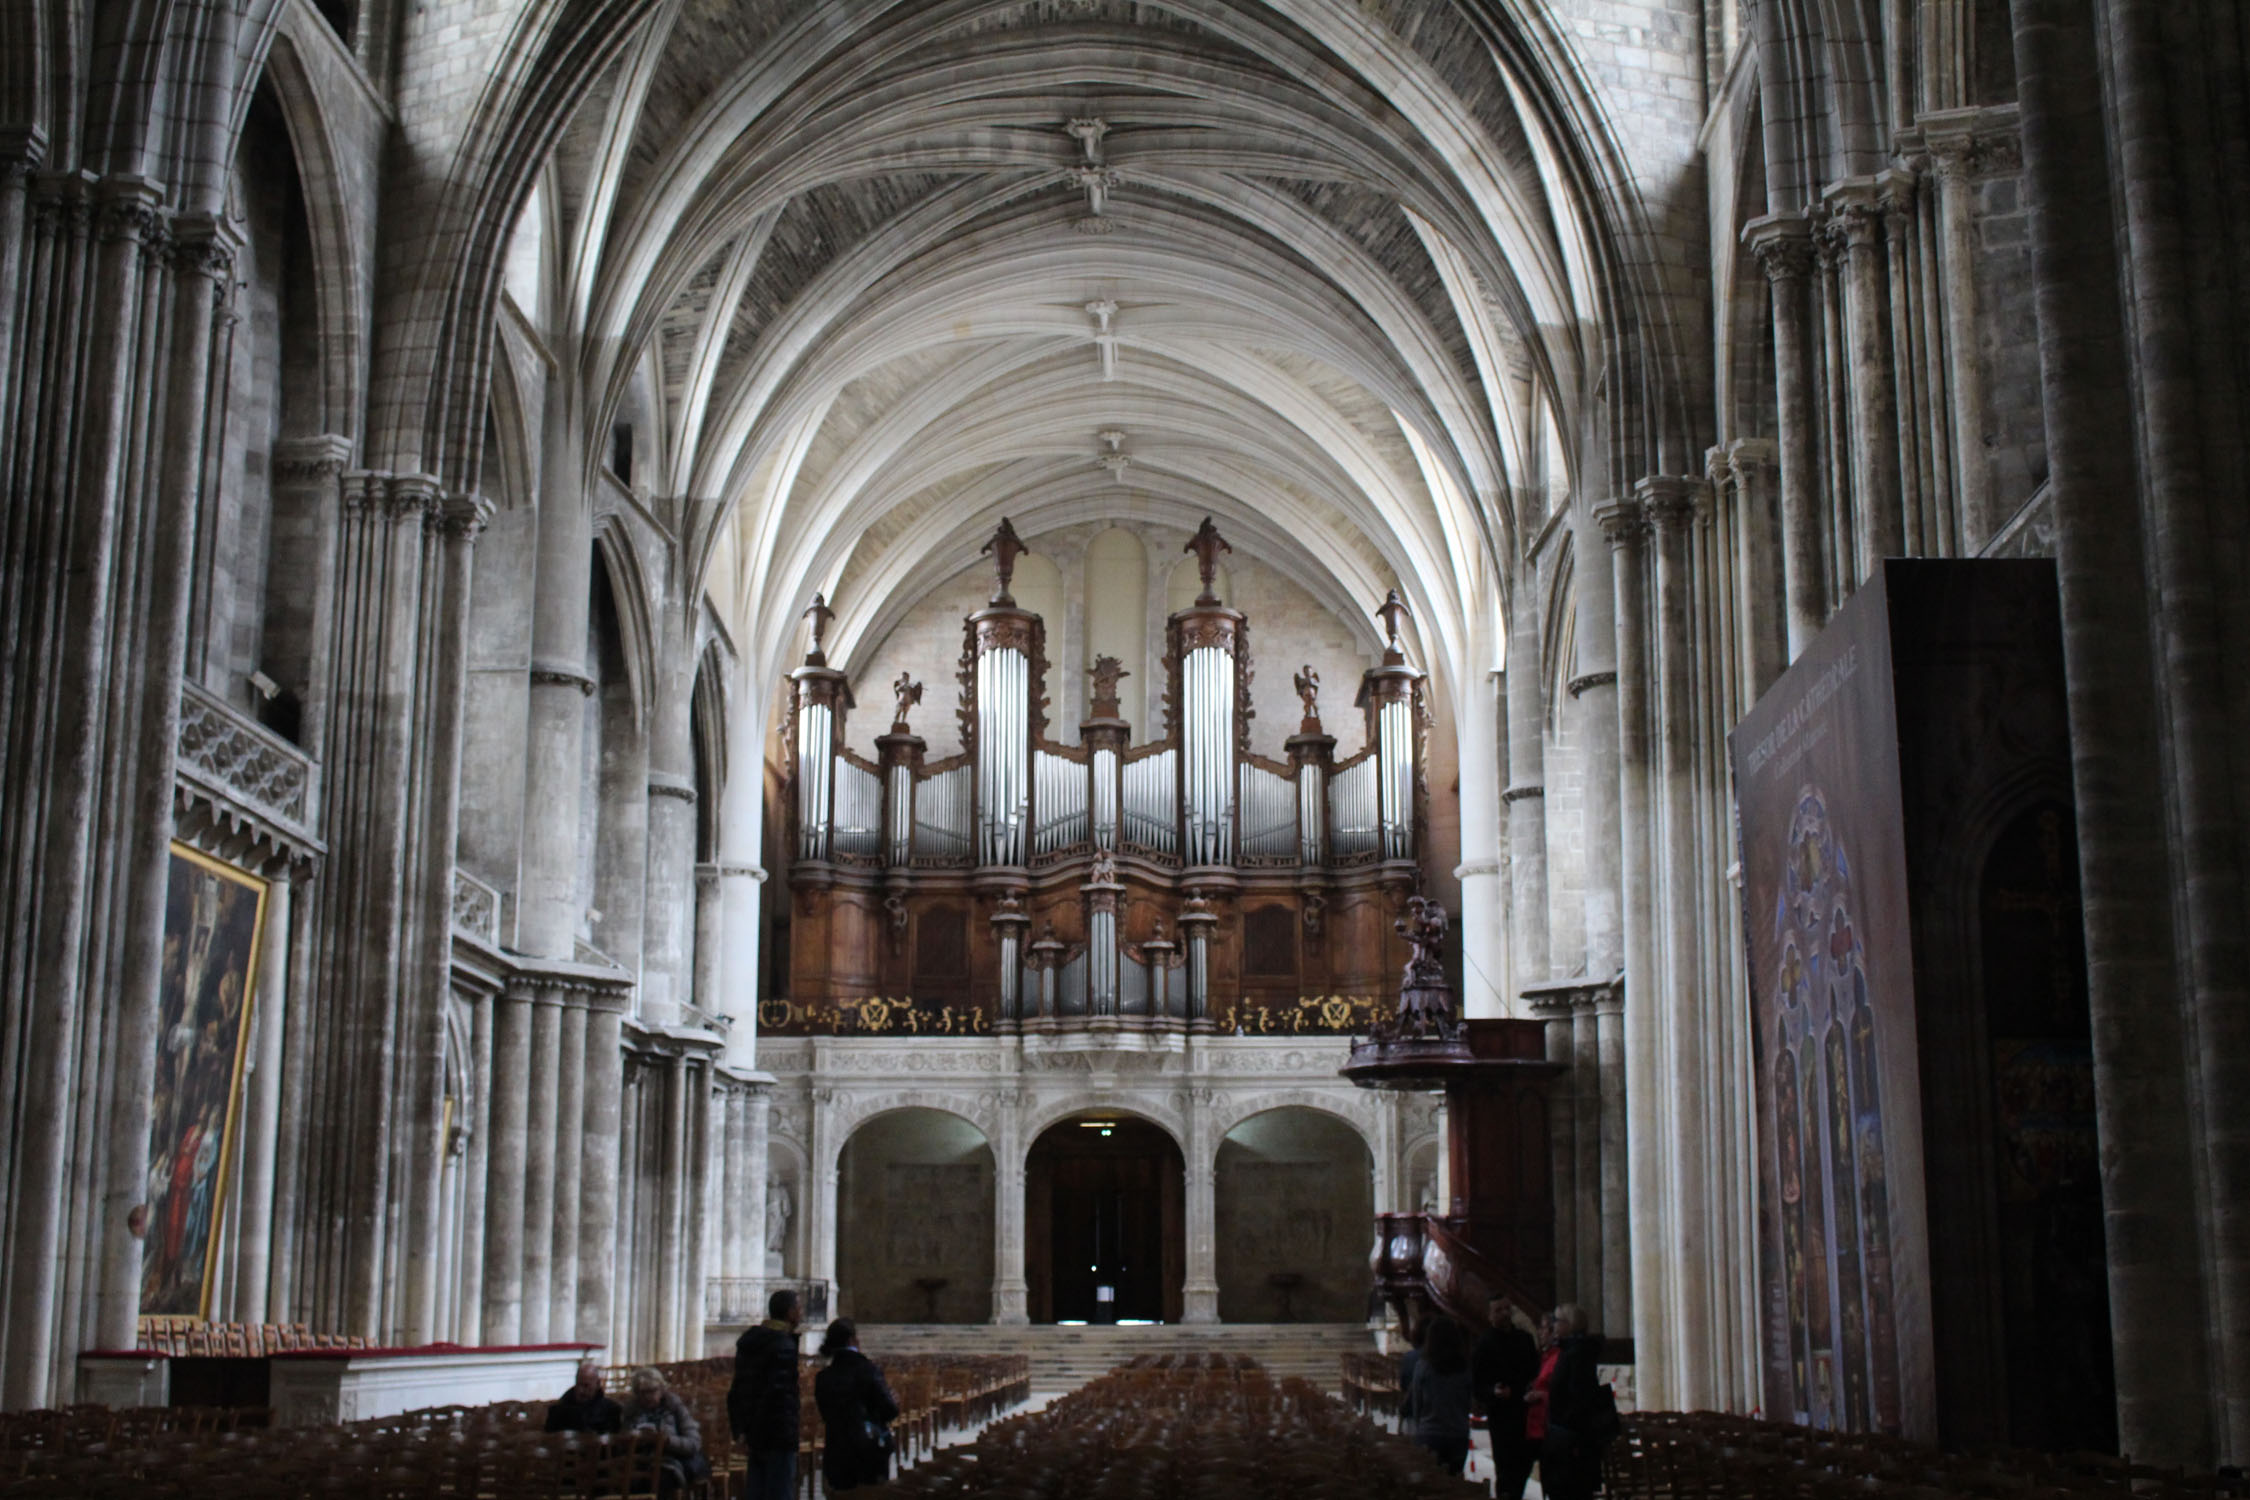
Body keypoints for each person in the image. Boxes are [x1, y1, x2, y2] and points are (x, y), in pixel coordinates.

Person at [729, 1288, 804, 1500]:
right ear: (790, 1313)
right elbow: (778, 1395)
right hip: (777, 1433)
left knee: (757, 1490)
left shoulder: (751, 1343)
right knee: (779, 1491)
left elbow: (737, 1390)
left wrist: (742, 1430)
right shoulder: (783, 1345)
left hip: (755, 1434)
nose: (802, 1313)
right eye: (799, 1308)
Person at [814, 1318, 900, 1492]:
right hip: (868, 1450)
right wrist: (891, 1401)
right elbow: (890, 1410)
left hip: (836, 1449)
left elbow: (825, 1412)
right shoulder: (868, 1370)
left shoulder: (823, 1377)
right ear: (852, 1340)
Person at [1532, 1304, 1607, 1500]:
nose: (1553, 1326)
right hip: (1563, 1434)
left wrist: (1563, 1427)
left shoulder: (1578, 1354)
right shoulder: (1570, 1352)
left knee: (1570, 1491)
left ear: (1569, 1325)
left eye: (1557, 1321)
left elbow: (1578, 1397)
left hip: (1571, 1440)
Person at [1473, 1297, 1542, 1500]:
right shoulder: (1484, 1343)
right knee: (1505, 1466)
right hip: (1501, 1415)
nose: (1504, 1313)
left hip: (1525, 1411)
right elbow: (1478, 1384)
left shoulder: (1524, 1340)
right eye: (1498, 1310)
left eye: (1507, 1309)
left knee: (1524, 1464)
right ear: (1490, 1315)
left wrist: (1520, 1391)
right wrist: (1493, 1392)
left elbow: (1534, 1373)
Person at [1407, 1314, 1474, 1477]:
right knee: (1454, 1484)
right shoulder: (1464, 1368)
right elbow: (1468, 1401)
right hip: (1457, 1433)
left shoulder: (1423, 1366)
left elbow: (1417, 1402)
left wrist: (1419, 1425)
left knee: (1432, 1485)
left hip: (1430, 1433)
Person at [626, 1366, 709, 1497]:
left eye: (652, 1391)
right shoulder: (631, 1411)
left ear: (661, 1390)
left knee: (662, 1478)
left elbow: (693, 1443)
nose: (648, 1397)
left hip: (673, 1459)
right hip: (642, 1462)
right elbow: (622, 1441)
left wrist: (667, 1440)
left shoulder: (674, 1407)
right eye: (643, 1393)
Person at [546, 1359, 624, 1435]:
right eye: (578, 1385)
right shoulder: (559, 1410)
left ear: (597, 1384)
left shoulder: (611, 1410)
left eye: (586, 1386)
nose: (581, 1391)